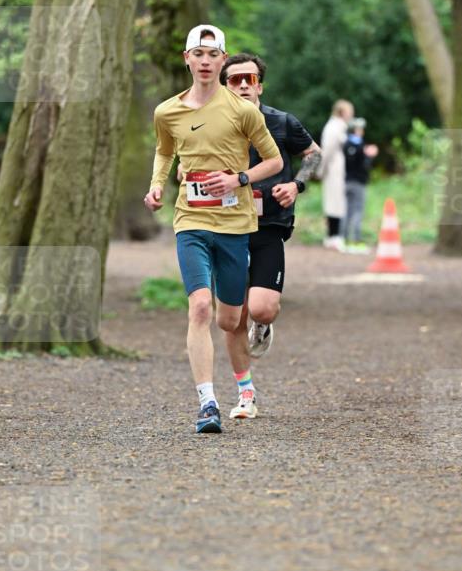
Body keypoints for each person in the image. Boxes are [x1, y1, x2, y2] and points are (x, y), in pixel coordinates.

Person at [143, 24, 282, 434]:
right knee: (200, 307)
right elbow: (164, 151)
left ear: (222, 62)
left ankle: (246, 361)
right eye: (197, 54)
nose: (204, 62)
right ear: (187, 59)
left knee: (229, 318)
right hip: (191, 220)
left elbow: (272, 162)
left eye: (212, 55)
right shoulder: (167, 111)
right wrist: (156, 186)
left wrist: (239, 179)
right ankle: (207, 403)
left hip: (235, 223)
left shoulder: (243, 112)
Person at [219, 52, 321, 420]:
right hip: (226, 226)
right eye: (235, 80)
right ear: (224, 86)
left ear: (259, 85)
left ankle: (263, 324)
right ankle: (246, 393)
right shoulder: (212, 125)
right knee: (231, 319)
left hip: (269, 226)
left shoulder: (281, 122)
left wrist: (296, 185)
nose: (244, 85)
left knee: (261, 308)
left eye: (250, 79)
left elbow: (313, 155)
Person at [319, 99, 354, 251]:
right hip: (332, 170)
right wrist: (321, 170)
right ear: (342, 112)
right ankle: (333, 236)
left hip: (338, 170)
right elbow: (327, 151)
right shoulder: (333, 127)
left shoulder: (340, 127)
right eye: (349, 112)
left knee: (337, 202)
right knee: (333, 203)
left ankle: (334, 235)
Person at [343, 117, 379, 253]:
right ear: (357, 130)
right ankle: (356, 241)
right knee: (358, 211)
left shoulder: (346, 144)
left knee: (348, 211)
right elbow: (364, 166)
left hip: (347, 181)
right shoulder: (360, 145)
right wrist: (370, 156)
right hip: (358, 183)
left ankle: (345, 240)